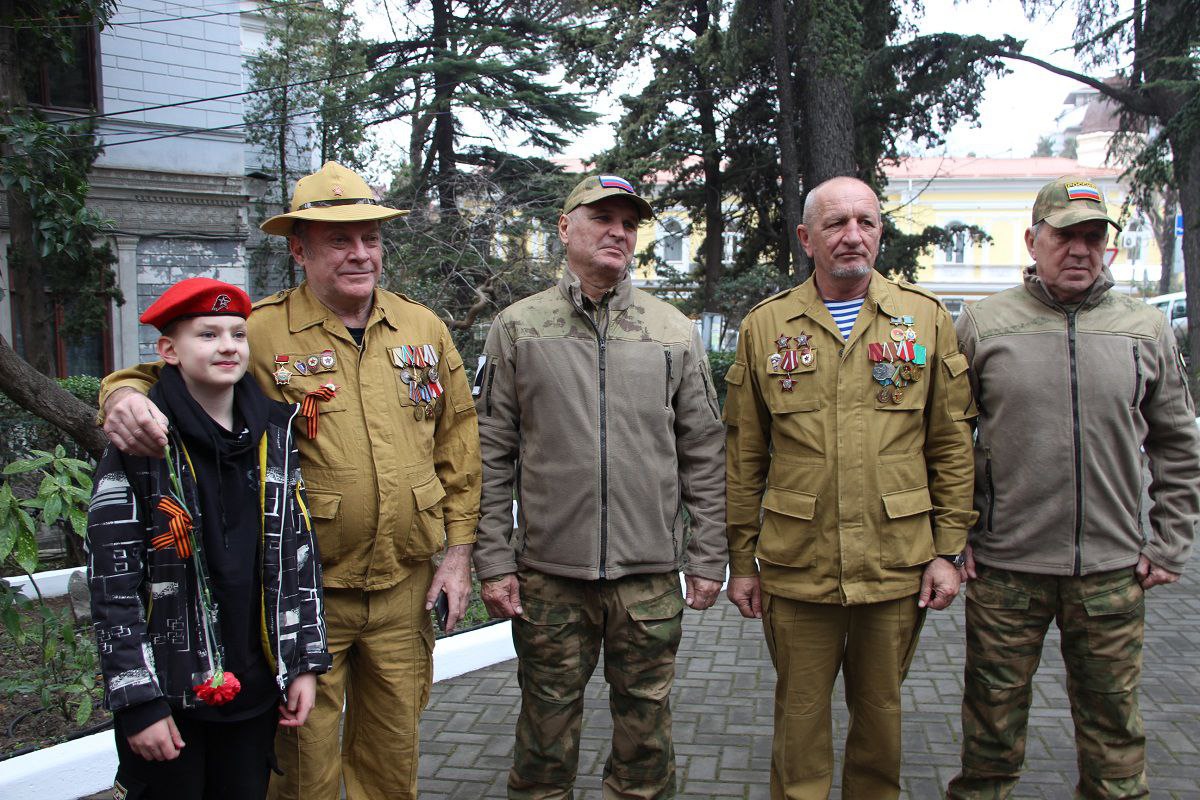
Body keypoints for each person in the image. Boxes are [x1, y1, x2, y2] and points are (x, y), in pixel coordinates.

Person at [98, 162, 482, 800]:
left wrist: (459, 557)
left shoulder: (424, 329)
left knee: (392, 762)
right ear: (298, 248)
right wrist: (120, 396)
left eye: (370, 237)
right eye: (339, 239)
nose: (360, 253)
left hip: (404, 587)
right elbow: (172, 367)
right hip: (305, 598)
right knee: (301, 769)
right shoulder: (264, 328)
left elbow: (458, 447)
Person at [473, 174, 727, 799]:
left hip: (646, 577)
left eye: (629, 223)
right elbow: (490, 453)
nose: (619, 231)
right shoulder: (519, 328)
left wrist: (708, 554)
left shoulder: (671, 331)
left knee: (646, 741)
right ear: (565, 227)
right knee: (544, 735)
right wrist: (493, 558)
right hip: (548, 576)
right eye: (602, 218)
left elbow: (704, 450)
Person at [946, 176, 1200, 800]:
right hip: (1005, 570)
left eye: (1094, 237)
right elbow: (947, 442)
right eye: (1065, 236)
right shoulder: (984, 324)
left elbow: (1177, 442)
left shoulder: (1143, 329)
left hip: (1112, 573)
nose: (1080, 250)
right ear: (1033, 240)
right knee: (990, 741)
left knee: (1115, 741)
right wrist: (954, 538)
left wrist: (1169, 542)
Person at [724, 176, 977, 800]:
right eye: (836, 224)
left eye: (865, 221)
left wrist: (947, 551)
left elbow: (950, 444)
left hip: (895, 563)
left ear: (880, 233)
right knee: (799, 728)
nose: (852, 235)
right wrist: (740, 562)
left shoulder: (924, 320)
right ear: (808, 238)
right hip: (797, 563)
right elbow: (743, 455)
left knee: (881, 729)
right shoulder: (767, 326)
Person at [88, 278, 330, 800]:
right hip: (170, 699)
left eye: (238, 334)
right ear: (168, 351)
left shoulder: (275, 433)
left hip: (256, 692)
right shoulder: (140, 443)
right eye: (208, 334)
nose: (227, 346)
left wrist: (303, 663)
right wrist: (137, 703)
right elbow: (113, 583)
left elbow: (298, 558)